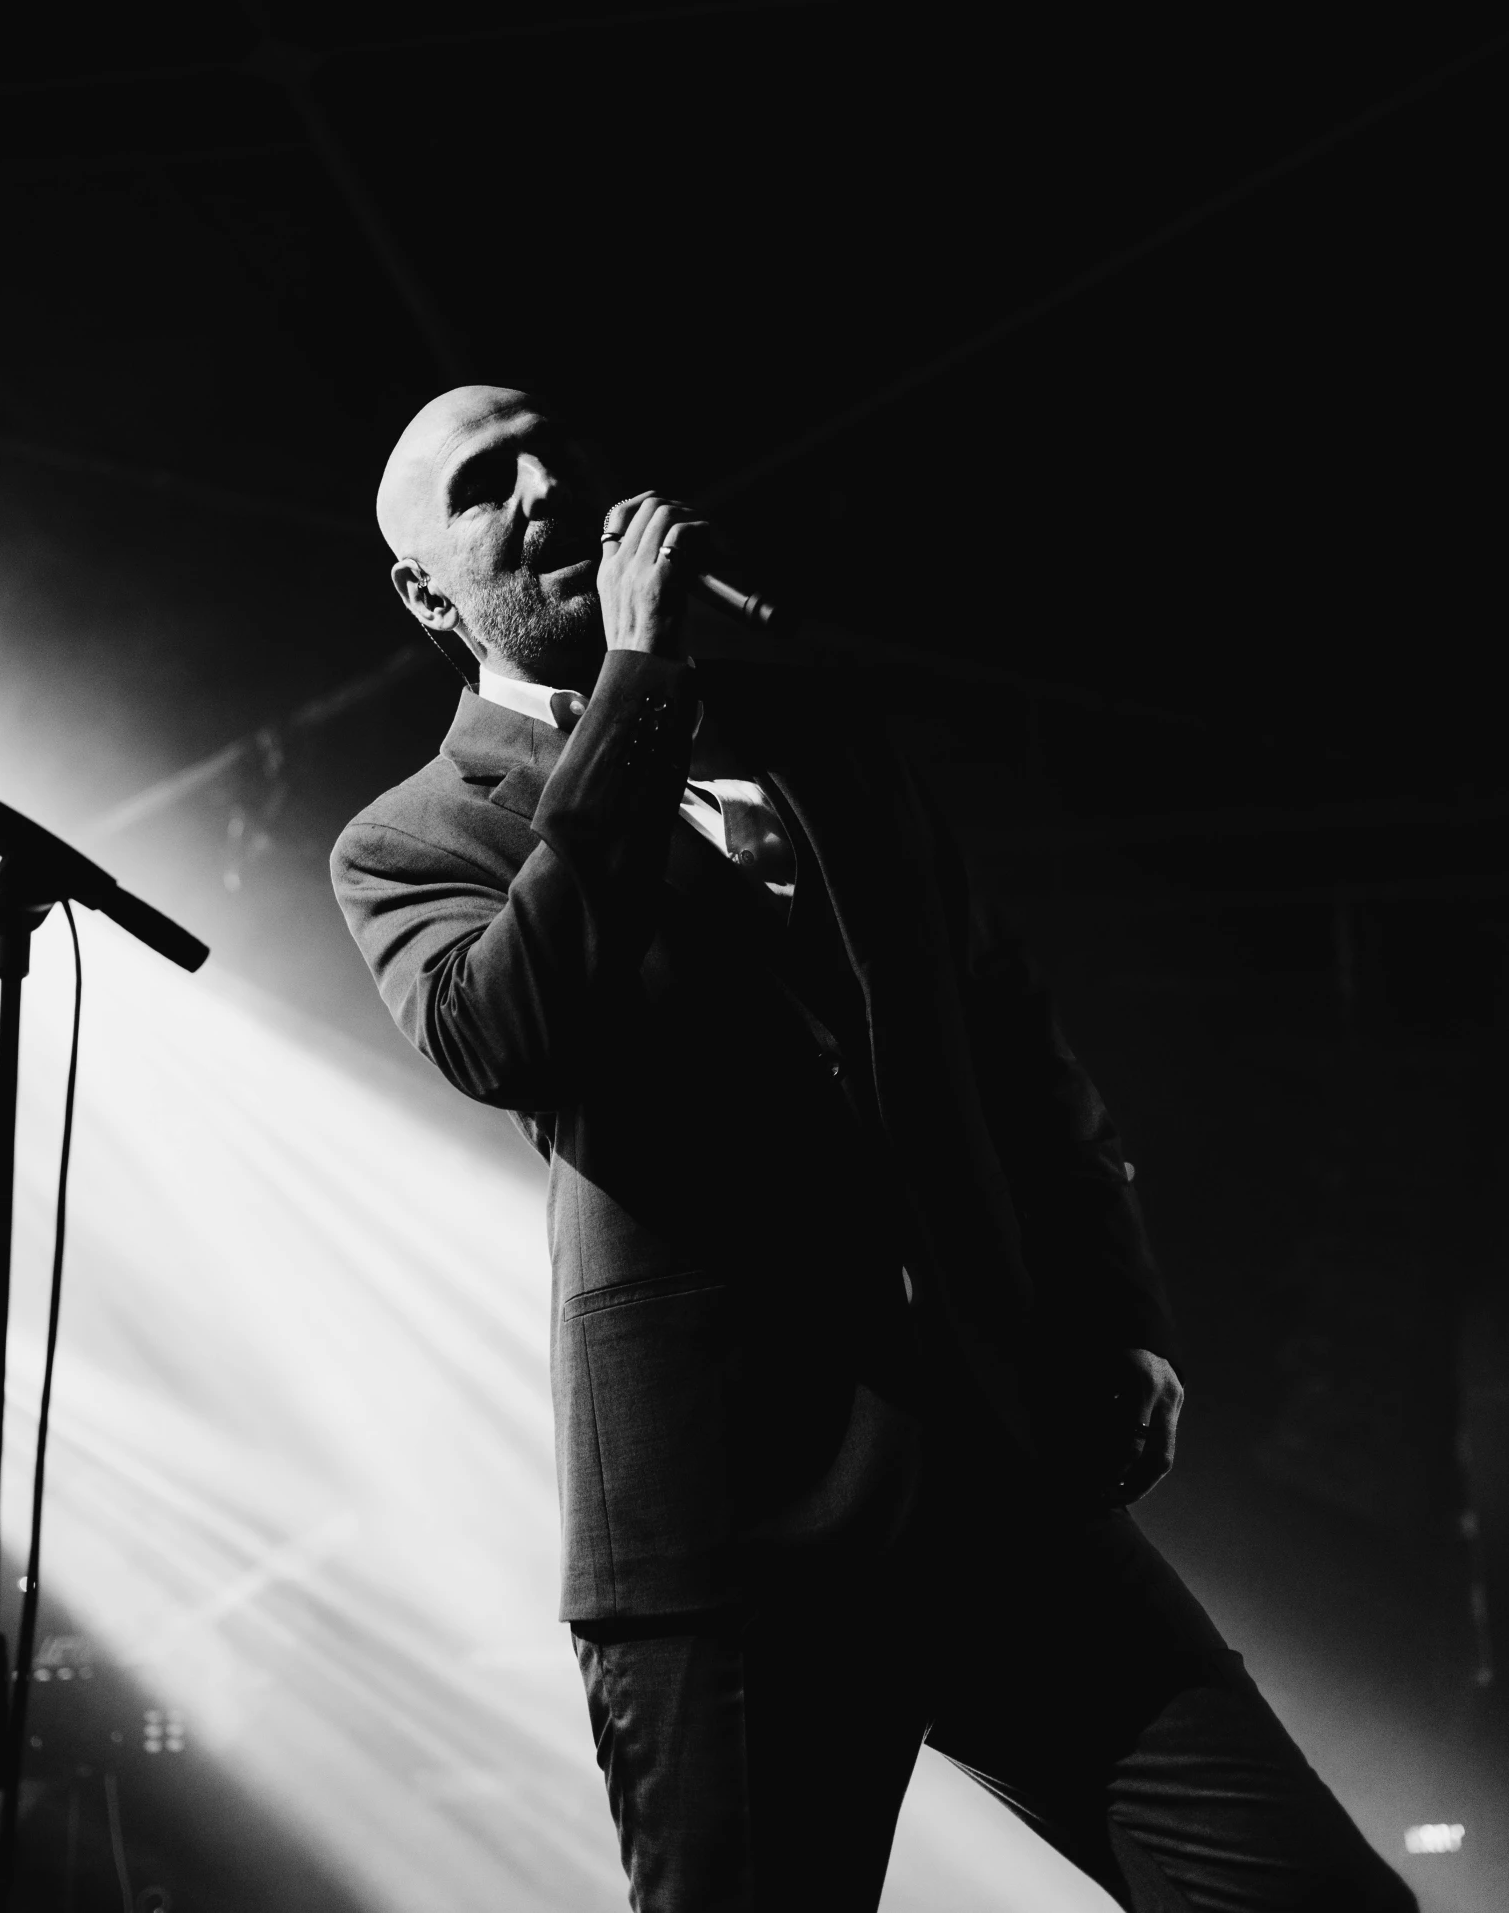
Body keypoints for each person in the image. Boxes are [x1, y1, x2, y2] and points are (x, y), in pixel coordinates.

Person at [331, 384, 1414, 1912]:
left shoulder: (822, 744)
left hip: (1000, 1475)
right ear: (425, 587)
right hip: (739, 1538)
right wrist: (637, 679)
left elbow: (1009, 1040)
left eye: (558, 448)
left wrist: (1118, 1314)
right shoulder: (413, 838)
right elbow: (511, 1035)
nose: (544, 486)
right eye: (484, 482)